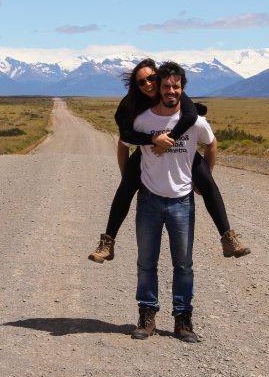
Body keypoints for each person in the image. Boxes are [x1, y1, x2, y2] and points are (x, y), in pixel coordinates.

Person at [88, 59, 249, 263]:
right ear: (135, 86)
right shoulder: (130, 103)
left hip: (179, 147)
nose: (148, 84)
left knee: (208, 184)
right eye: (141, 82)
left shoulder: (173, 90)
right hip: (146, 148)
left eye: (152, 78)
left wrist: (169, 140)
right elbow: (125, 136)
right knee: (126, 188)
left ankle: (228, 238)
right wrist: (151, 144)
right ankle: (107, 243)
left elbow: (190, 116)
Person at [131, 61, 213, 342]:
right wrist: (125, 177)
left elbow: (211, 143)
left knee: (184, 264)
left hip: (182, 202)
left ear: (182, 88)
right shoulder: (143, 120)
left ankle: (183, 319)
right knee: (146, 262)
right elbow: (122, 142)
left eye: (176, 86)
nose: (171, 90)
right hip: (149, 201)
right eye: (166, 86)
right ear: (159, 88)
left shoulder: (196, 121)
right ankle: (147, 314)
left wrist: (205, 180)